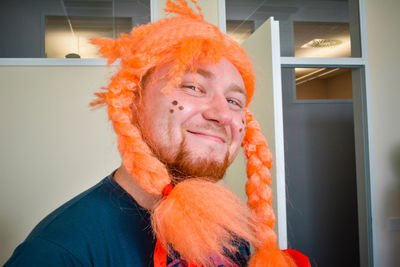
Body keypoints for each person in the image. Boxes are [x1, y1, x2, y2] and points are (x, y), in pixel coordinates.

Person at [5, 1, 309, 266]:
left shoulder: (230, 234)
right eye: (192, 86)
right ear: (133, 102)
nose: (222, 114)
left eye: (234, 101)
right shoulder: (62, 251)